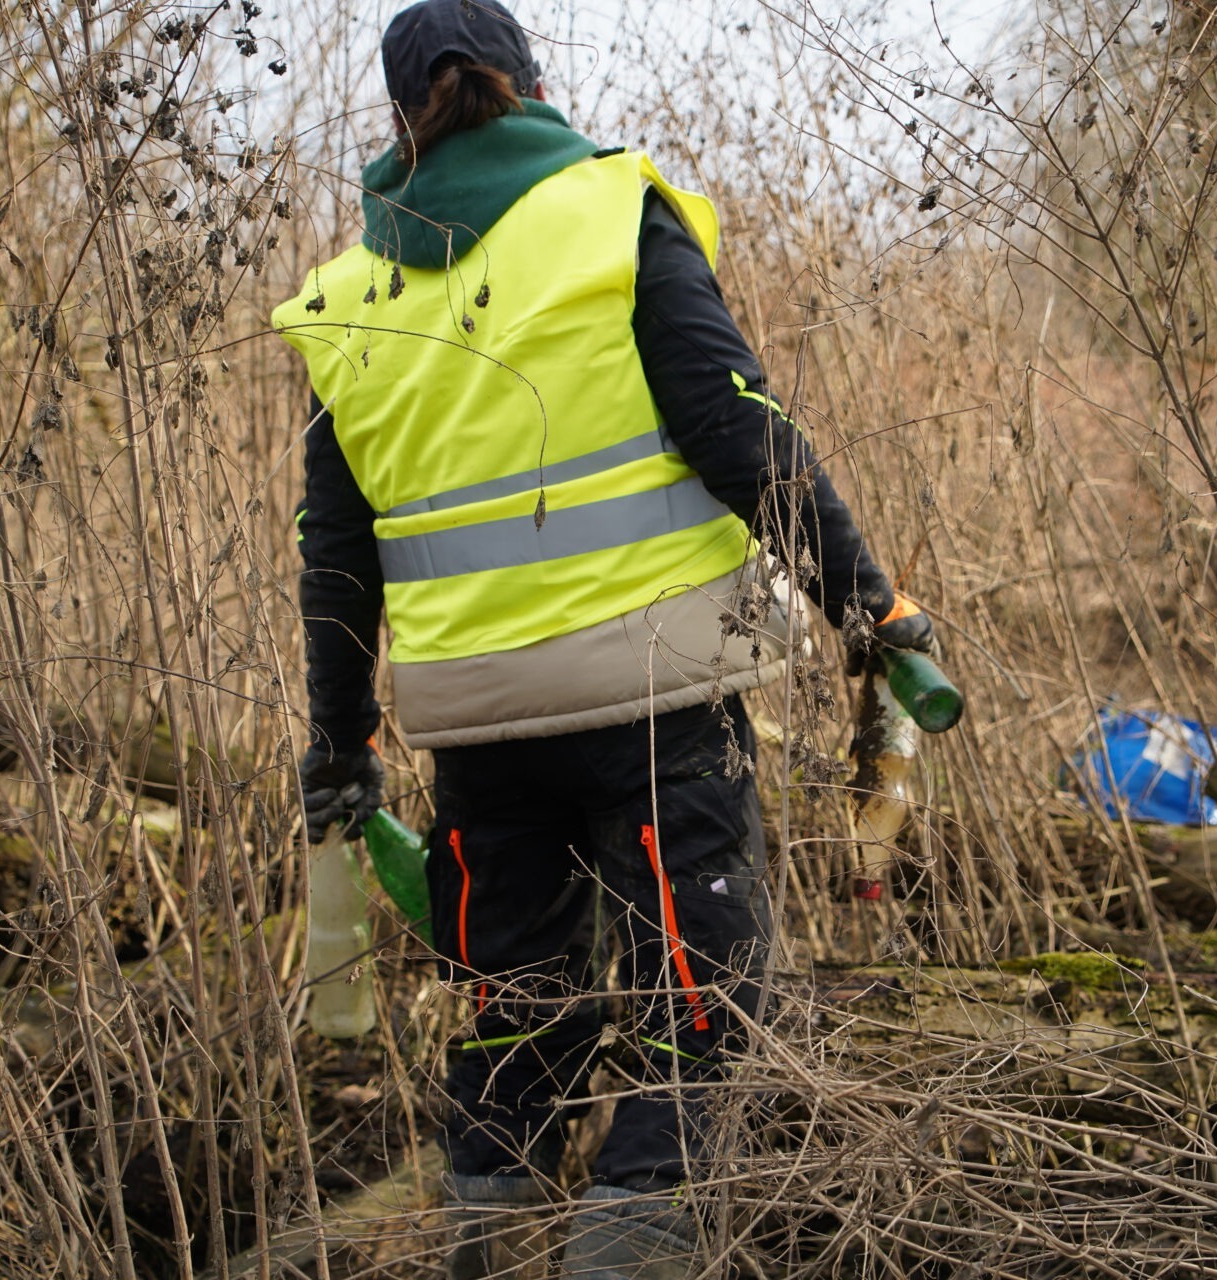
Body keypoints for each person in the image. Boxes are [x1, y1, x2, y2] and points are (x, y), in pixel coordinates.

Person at [272, 3, 936, 1275]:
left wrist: (340, 739)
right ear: (527, 81)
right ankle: (627, 1243)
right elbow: (739, 429)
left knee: (515, 1023)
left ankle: (494, 1249)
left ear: (403, 115)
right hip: (657, 703)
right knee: (706, 1017)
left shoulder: (351, 298)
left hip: (478, 733)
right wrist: (871, 606)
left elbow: (334, 554)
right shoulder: (611, 215)